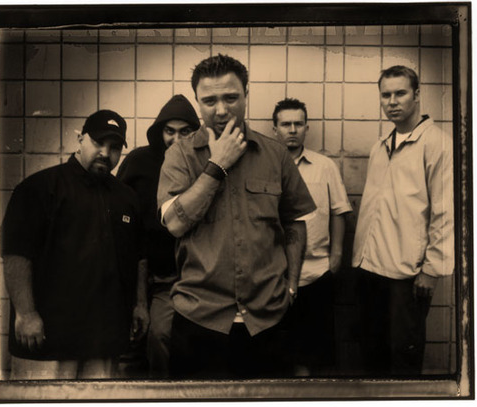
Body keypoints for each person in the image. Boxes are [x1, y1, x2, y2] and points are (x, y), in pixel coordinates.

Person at [157, 54, 316, 379]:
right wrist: (217, 166)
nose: (220, 110)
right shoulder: (180, 155)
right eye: (209, 101)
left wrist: (291, 286)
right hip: (199, 318)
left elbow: (294, 222)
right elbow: (174, 224)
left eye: (230, 98)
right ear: (198, 102)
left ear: (246, 94)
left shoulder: (275, 154)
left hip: (268, 319)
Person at [1, 110, 146, 380]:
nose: (105, 152)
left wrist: (140, 304)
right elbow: (16, 254)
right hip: (48, 341)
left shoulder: (126, 197)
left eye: (114, 147)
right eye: (98, 142)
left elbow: (138, 256)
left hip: (103, 341)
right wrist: (26, 313)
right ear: (80, 139)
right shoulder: (39, 188)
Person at [352, 65, 454, 376]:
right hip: (369, 267)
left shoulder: (437, 144)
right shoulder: (381, 145)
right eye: (386, 95)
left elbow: (445, 212)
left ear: (417, 94)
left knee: (402, 358)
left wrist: (431, 270)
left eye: (400, 93)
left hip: (407, 274)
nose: (392, 101)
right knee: (372, 353)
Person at [117, 94, 201, 378]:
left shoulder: (201, 163)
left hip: (174, 273)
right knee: (128, 342)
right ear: (159, 132)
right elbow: (117, 204)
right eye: (169, 131)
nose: (176, 139)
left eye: (185, 131)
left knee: (160, 336)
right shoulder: (139, 161)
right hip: (135, 267)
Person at [273, 98, 352, 376]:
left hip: (317, 271)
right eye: (286, 124)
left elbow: (339, 211)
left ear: (307, 127)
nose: (292, 130)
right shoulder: (266, 166)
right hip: (275, 274)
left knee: (311, 353)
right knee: (277, 350)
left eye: (298, 124)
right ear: (275, 128)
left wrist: (336, 256)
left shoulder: (324, 166)